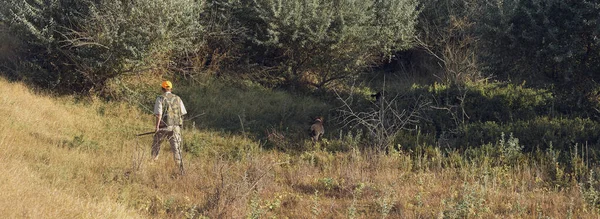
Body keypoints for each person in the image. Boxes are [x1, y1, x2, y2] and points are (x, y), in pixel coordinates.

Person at [152, 80, 187, 174]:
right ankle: (181, 169)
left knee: (156, 144)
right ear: (171, 88)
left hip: (163, 126)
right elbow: (183, 112)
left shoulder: (160, 98)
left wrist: (157, 127)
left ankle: (153, 164)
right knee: (176, 149)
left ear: (162, 88)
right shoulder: (178, 98)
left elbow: (158, 114)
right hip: (176, 127)